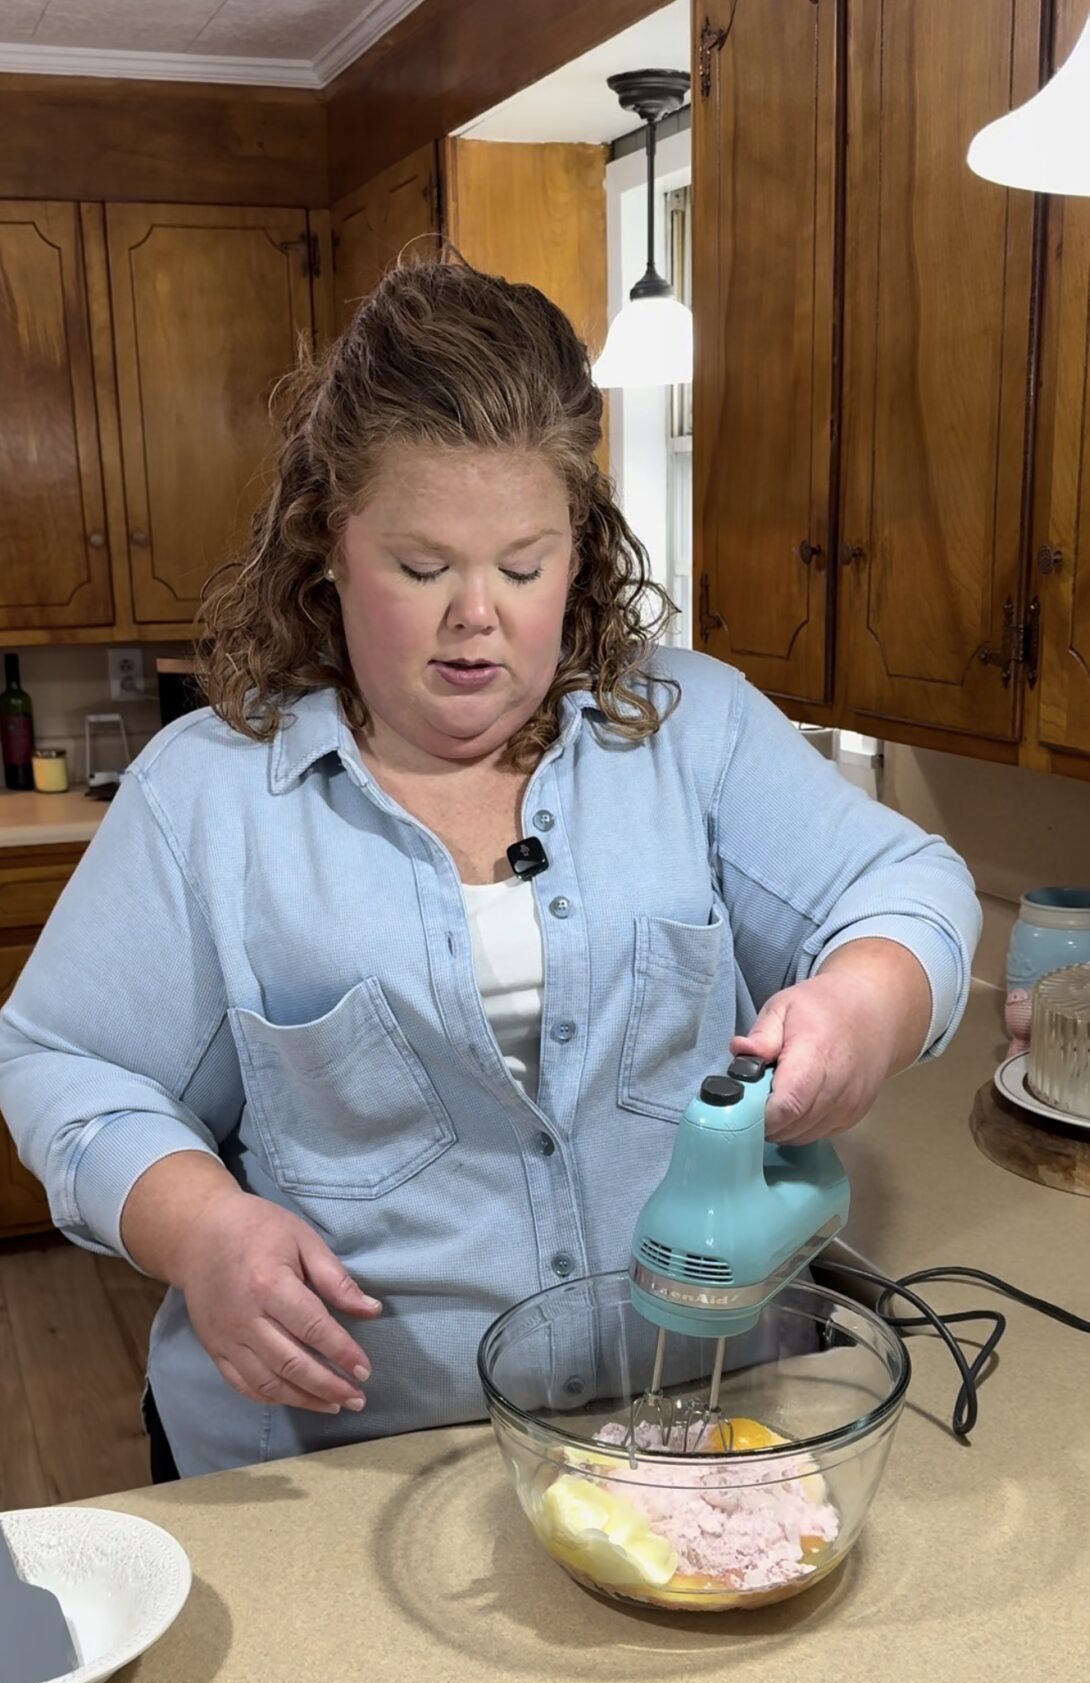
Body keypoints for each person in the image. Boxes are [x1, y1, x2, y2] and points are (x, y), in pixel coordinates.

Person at [0, 261, 980, 1482]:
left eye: (523, 564)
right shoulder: (202, 797)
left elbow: (909, 888)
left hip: (690, 1430)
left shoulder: (697, 731)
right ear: (328, 548)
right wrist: (196, 1224)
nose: (479, 616)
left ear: (580, 546)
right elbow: (62, 1064)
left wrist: (864, 1004)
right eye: (422, 568)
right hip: (347, 1463)